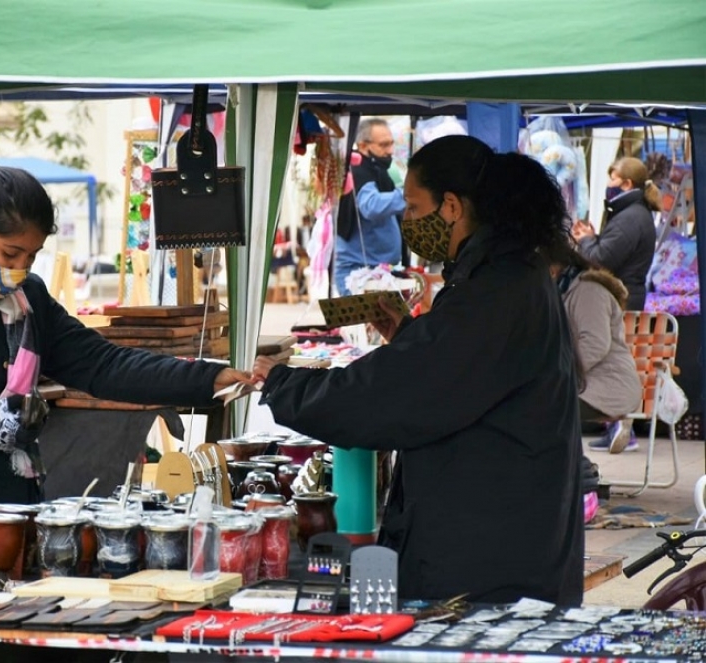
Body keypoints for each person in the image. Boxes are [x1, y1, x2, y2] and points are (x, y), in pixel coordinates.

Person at [0, 155, 250, 589]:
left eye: (31, 256)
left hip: (11, 537)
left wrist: (206, 379)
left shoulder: (28, 300)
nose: (20, 270)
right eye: (10, 253)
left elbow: (102, 364)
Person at [253, 135, 584, 606]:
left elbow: (394, 393)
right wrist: (408, 333)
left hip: (490, 555)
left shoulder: (496, 289)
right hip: (502, 533)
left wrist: (282, 381)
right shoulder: (503, 273)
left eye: (412, 206)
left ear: (451, 206)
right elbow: (452, 371)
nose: (406, 220)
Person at [549, 242, 643, 454]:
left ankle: (573, 472)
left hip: (608, 387)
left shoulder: (588, 292)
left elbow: (595, 343)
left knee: (542, 406)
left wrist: (557, 373)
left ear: (553, 268)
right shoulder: (569, 290)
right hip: (591, 385)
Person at [571, 156, 661, 310]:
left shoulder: (629, 218)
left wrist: (586, 240)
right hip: (624, 298)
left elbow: (601, 261)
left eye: (612, 179)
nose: (608, 184)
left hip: (621, 301)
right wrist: (593, 238)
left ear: (627, 184)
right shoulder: (633, 213)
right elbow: (614, 250)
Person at [334, 118, 407, 295]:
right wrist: (409, 196)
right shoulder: (357, 171)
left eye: (391, 144)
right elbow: (371, 206)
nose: (390, 151)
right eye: (383, 145)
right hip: (358, 273)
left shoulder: (379, 172)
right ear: (363, 146)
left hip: (377, 271)